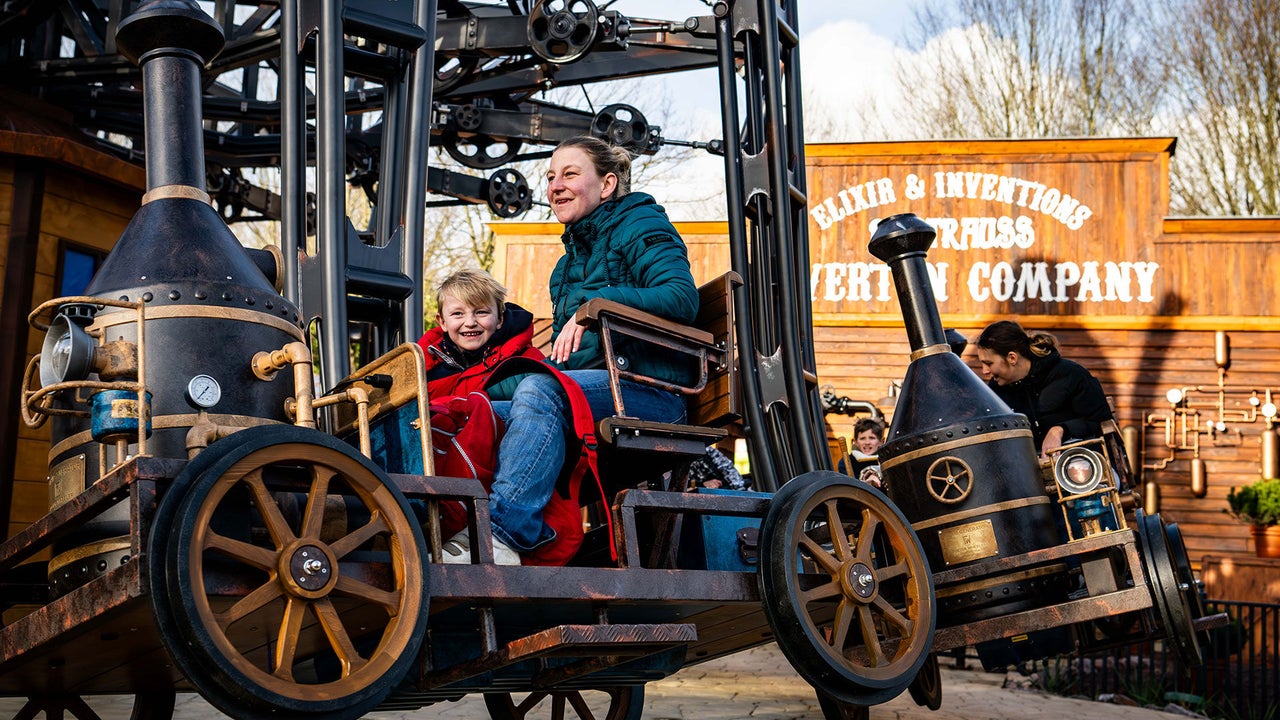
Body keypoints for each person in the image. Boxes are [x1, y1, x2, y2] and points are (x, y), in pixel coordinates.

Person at [477, 135, 700, 565]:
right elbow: (569, 359)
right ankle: (459, 532)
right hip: (599, 388)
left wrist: (594, 308)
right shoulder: (566, 266)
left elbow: (681, 297)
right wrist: (490, 387)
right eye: (550, 176)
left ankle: (504, 537)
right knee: (482, 408)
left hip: (651, 391)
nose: (555, 185)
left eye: (571, 174)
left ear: (609, 183)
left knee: (543, 393)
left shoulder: (640, 224)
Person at [973, 320, 1114, 457]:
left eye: (988, 363)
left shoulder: (1070, 374)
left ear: (1012, 358)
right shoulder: (994, 391)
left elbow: (1100, 420)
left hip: (1084, 469)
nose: (984, 371)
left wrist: (1060, 430)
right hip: (1029, 474)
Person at [846, 416, 885, 487]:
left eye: (872, 438)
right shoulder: (847, 462)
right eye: (862, 438)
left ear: (881, 441)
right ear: (855, 442)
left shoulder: (886, 460)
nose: (867, 442)